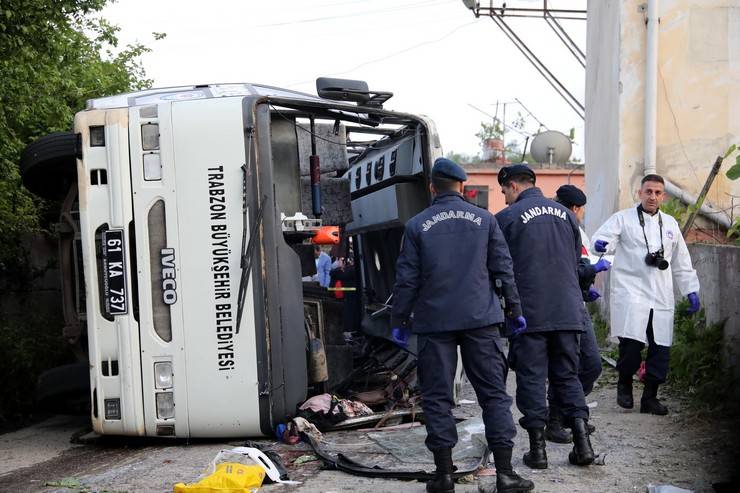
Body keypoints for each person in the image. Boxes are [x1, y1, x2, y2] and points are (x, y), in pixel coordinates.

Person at [391, 158, 533, 493]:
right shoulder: (485, 220)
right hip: (480, 320)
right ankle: (506, 475)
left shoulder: (417, 225)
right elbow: (503, 269)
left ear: (432, 188)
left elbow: (406, 279)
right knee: (494, 396)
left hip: (434, 322)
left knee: (438, 398)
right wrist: (514, 310)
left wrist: (399, 320)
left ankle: (443, 476)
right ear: (462, 186)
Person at [495, 165, 596, 468]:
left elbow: (499, 267)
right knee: (568, 376)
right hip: (568, 311)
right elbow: (575, 262)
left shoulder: (506, 218)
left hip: (529, 313)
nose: (504, 198)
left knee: (532, 378)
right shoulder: (566, 215)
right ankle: (583, 446)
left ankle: (537, 452)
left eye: (504, 192)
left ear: (513, 186)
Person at [591, 174, 700, 415]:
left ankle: (650, 397)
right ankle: (625, 385)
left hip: (661, 295)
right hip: (631, 292)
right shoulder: (623, 219)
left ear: (664, 196)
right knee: (631, 345)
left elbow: (682, 261)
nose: (652, 196)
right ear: (639, 193)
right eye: (648, 191)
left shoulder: (670, 224)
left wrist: (691, 289)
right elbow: (601, 239)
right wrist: (600, 245)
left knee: (660, 348)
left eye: (657, 192)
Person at [544, 184, 611, 443]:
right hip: (560, 308)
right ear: (576, 209)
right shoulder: (556, 227)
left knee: (591, 366)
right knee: (566, 367)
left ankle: (568, 415)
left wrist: (586, 289)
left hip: (576, 305)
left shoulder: (575, 229)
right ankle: (557, 420)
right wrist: (593, 270)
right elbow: (568, 268)